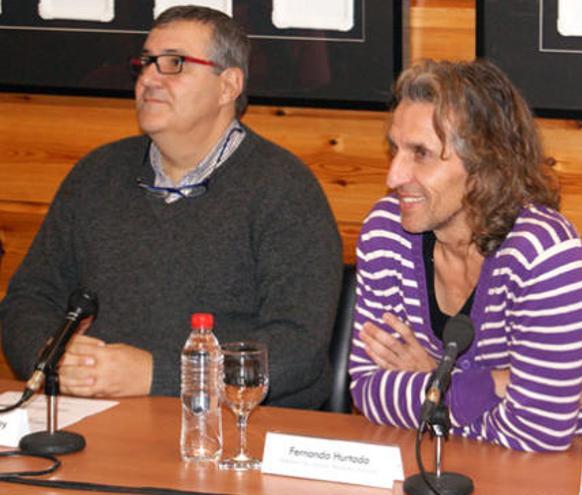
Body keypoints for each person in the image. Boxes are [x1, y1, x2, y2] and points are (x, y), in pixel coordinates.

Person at [0, 6, 342, 409]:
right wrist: (56, 358)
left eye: (174, 64)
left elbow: (297, 348)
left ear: (228, 85)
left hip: (236, 430)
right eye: (145, 63)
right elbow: (28, 299)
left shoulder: (284, 190)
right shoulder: (97, 175)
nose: (148, 79)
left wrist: (157, 375)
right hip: (95, 419)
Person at [348, 59, 582, 452]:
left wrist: (435, 380)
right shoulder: (387, 231)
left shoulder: (544, 253)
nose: (394, 176)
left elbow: (539, 432)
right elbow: (367, 390)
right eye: (395, 149)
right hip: (438, 463)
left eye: (421, 153)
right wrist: (496, 382)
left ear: (485, 164)